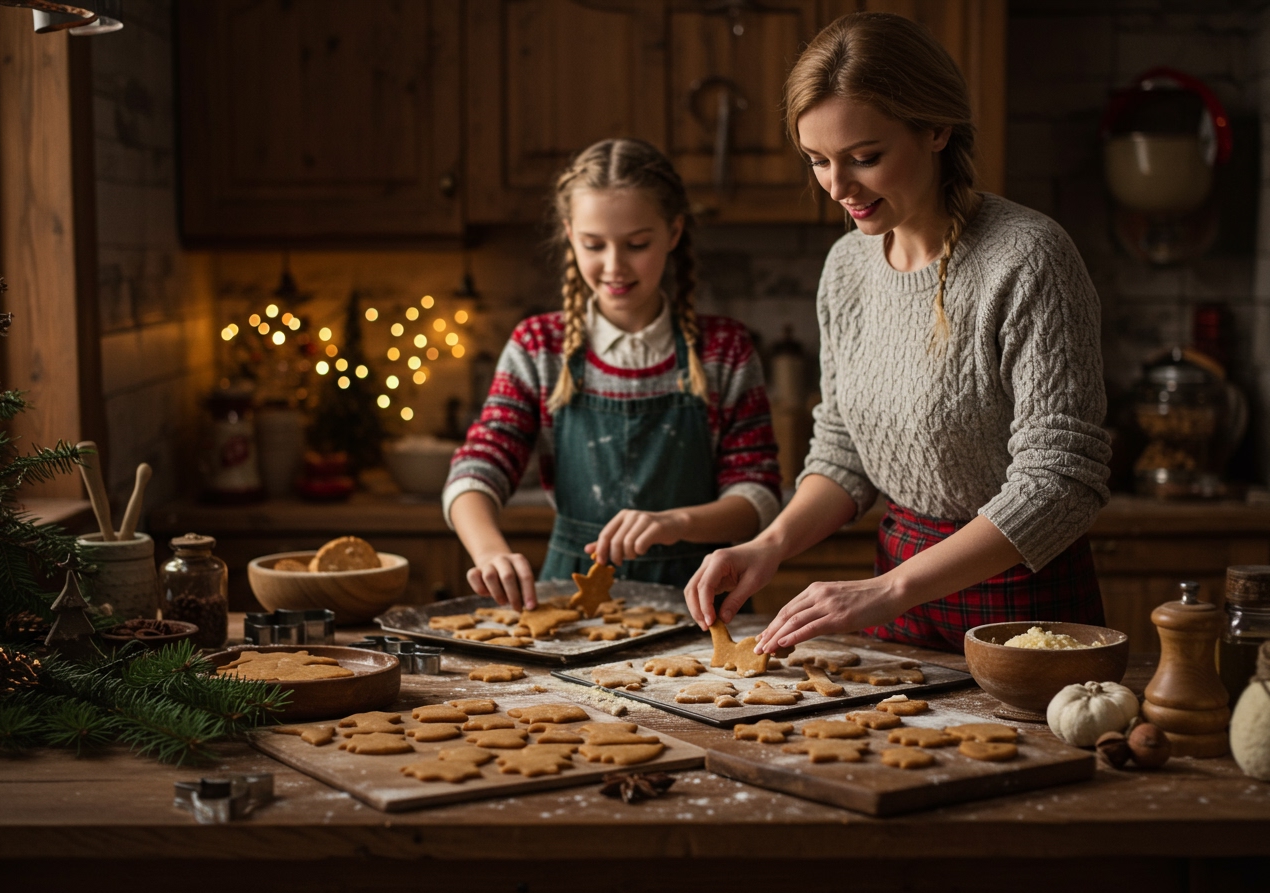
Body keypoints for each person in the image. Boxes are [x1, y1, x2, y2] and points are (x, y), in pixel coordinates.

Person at [685, 12, 1112, 655]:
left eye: (864, 158)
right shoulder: (847, 267)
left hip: (1021, 602)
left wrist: (888, 590)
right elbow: (843, 455)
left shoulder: (1028, 258)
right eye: (817, 161)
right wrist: (766, 545)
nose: (837, 186)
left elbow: (1061, 484)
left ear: (937, 128)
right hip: (896, 594)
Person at [444, 138, 781, 611]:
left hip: (701, 603)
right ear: (569, 234)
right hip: (571, 605)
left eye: (637, 244)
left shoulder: (724, 350)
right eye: (593, 244)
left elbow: (756, 495)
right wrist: (489, 551)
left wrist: (677, 522)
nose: (614, 266)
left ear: (674, 232)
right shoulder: (539, 346)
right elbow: (479, 465)